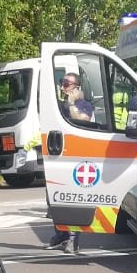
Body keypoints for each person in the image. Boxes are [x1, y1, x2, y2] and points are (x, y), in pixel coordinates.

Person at [46, 74, 96, 254]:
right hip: (58, 157)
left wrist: (73, 103)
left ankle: (73, 241)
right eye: (62, 83)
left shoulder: (83, 105)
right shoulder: (60, 105)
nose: (62, 87)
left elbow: (81, 119)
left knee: (73, 200)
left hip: (77, 160)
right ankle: (61, 235)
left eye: (66, 84)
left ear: (76, 87)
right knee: (54, 200)